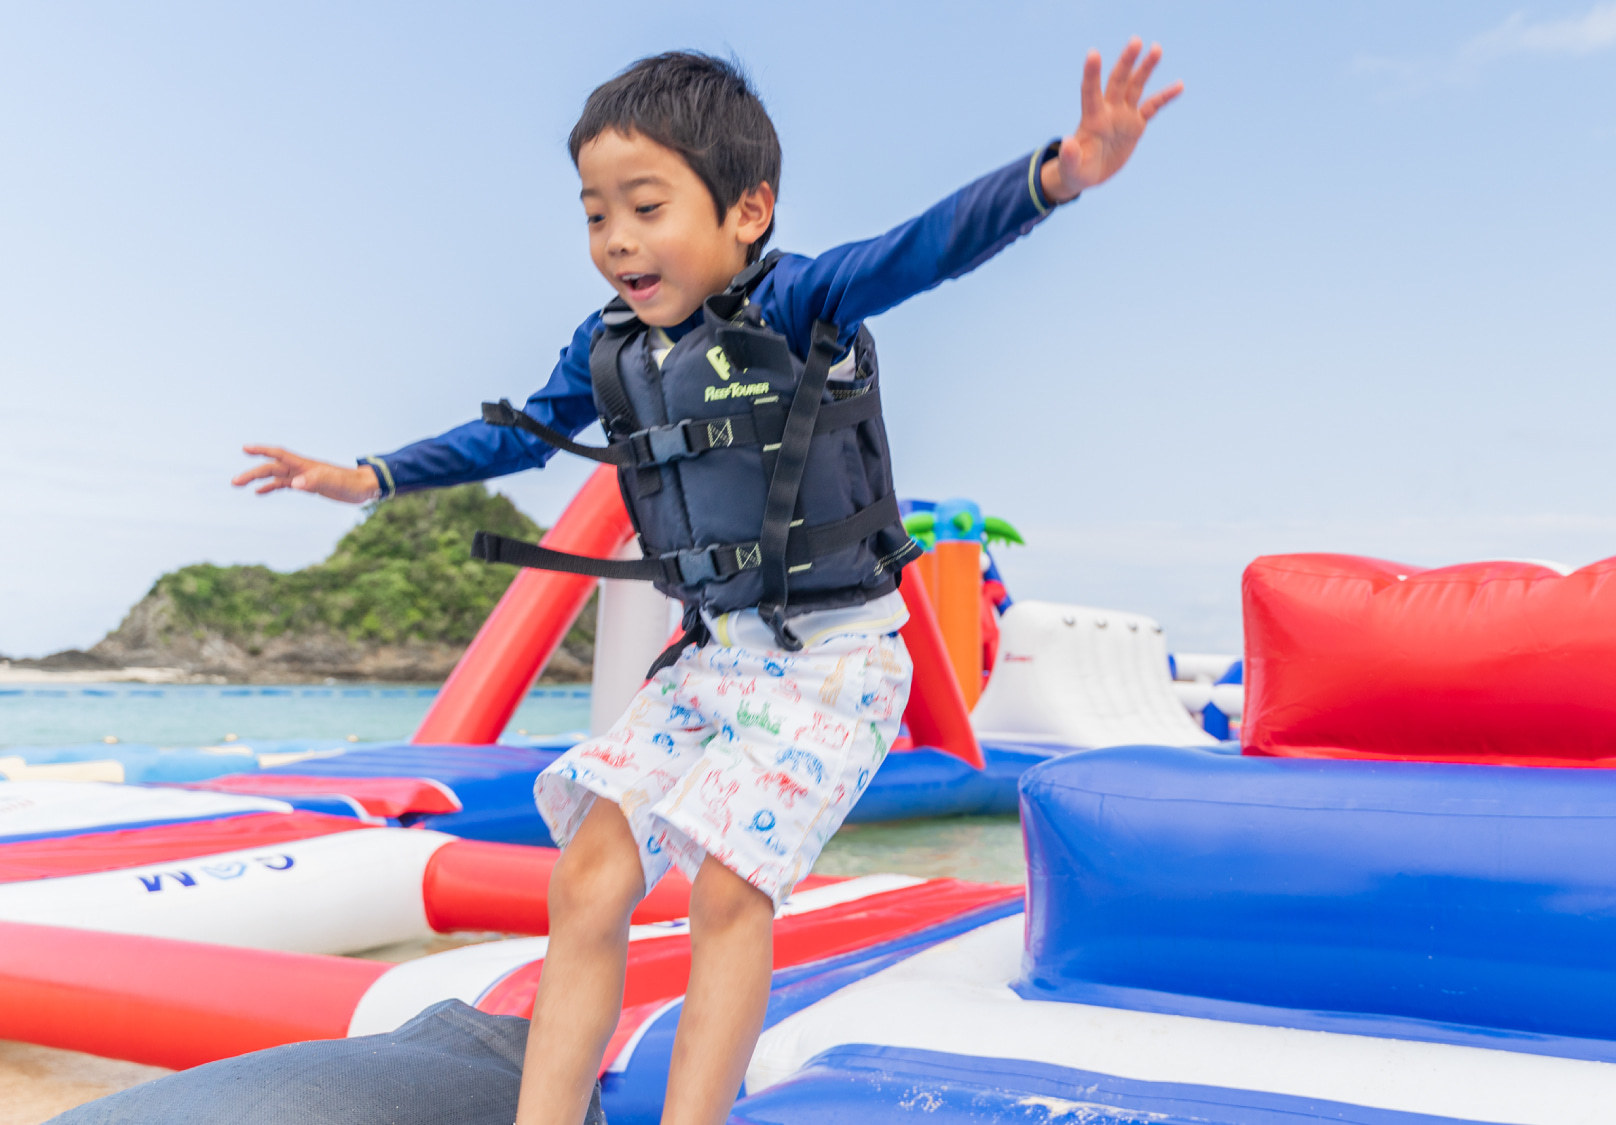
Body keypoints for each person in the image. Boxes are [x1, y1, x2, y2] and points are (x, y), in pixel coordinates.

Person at [233, 40, 1180, 1125]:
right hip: (708, 664)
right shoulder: (616, 348)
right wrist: (372, 476)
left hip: (832, 668)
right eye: (595, 214)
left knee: (730, 892)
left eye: (644, 206)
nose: (616, 241)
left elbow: (921, 250)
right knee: (586, 877)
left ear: (746, 211)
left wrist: (1053, 176)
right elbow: (519, 437)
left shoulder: (799, 303)